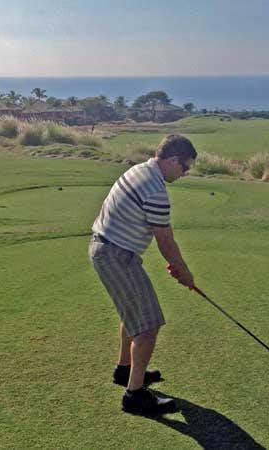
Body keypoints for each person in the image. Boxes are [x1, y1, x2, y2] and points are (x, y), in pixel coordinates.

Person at [89, 134, 197, 415]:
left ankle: (125, 370)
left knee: (134, 317)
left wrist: (179, 267)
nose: (185, 174)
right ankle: (134, 395)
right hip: (115, 255)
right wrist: (185, 273)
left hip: (107, 249)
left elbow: (163, 240)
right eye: (185, 167)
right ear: (172, 160)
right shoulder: (155, 189)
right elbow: (165, 241)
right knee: (148, 325)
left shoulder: (140, 169)